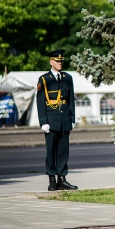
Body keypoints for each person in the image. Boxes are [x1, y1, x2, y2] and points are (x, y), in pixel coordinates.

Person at [36, 49, 78, 192]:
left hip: (64, 119)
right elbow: (40, 101)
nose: (60, 63)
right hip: (51, 119)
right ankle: (52, 179)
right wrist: (43, 121)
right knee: (51, 151)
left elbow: (71, 99)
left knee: (63, 151)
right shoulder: (44, 79)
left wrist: (72, 117)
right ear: (51, 61)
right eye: (57, 61)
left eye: (61, 61)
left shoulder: (68, 78)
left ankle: (62, 179)